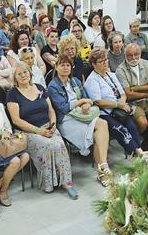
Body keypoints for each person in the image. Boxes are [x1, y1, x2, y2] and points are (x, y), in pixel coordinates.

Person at [6, 63, 76, 198]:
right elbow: (16, 120)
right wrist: (38, 131)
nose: (23, 75)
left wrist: (53, 124)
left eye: (25, 72)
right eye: (19, 74)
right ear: (14, 77)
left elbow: (51, 110)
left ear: (30, 73)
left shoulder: (39, 88)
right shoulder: (12, 94)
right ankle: (49, 183)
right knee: (48, 145)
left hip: (47, 126)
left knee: (60, 145)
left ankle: (66, 183)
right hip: (27, 132)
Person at [48, 55, 112, 186]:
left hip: (82, 114)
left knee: (103, 124)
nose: (66, 68)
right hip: (66, 120)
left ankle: (103, 165)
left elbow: (87, 98)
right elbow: (63, 107)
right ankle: (103, 171)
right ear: (56, 67)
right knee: (97, 133)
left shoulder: (75, 81)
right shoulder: (53, 86)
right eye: (62, 65)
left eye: (68, 65)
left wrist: (86, 104)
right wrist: (81, 102)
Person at [84, 49, 144, 157]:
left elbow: (123, 94)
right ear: (93, 64)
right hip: (105, 113)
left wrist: (122, 103)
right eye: (101, 61)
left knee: (132, 127)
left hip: (119, 109)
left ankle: (139, 151)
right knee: (121, 130)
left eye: (106, 60)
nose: (105, 63)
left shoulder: (111, 75)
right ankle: (138, 153)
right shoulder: (92, 80)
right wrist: (118, 104)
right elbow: (98, 102)